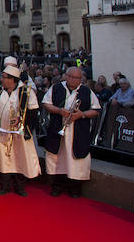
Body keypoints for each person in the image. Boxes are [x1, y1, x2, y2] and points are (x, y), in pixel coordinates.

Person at [42, 67, 100, 198]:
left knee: (76, 160)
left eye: (77, 78)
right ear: (66, 76)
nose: (74, 80)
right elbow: (46, 104)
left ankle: (75, 188)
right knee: (59, 158)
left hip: (78, 131)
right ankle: (57, 186)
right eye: (71, 77)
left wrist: (82, 114)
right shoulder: (56, 88)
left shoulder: (86, 91)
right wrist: (59, 110)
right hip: (58, 129)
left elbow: (96, 110)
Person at [0, 66, 40, 196]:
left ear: (12, 80)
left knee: (19, 158)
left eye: (4, 77)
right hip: (3, 130)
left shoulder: (26, 92)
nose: (1, 79)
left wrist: (21, 119)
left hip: (19, 133)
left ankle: (20, 186)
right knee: (3, 159)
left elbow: (33, 112)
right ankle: (4, 186)